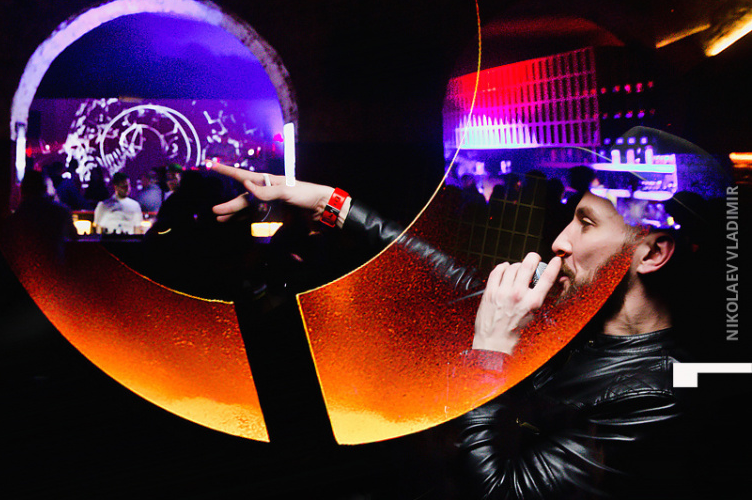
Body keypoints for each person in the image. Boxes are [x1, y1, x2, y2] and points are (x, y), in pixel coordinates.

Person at [209, 162, 701, 500]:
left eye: (585, 223)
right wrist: (327, 202)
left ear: (652, 253)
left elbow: (495, 492)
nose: (560, 241)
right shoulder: (576, 320)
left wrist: (490, 350)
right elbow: (443, 273)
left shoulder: (655, 394)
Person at [93, 171, 143, 235]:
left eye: (128, 186)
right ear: (116, 187)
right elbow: (99, 227)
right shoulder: (103, 205)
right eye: (123, 187)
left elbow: (138, 228)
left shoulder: (135, 205)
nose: (127, 189)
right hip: (110, 239)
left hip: (128, 239)